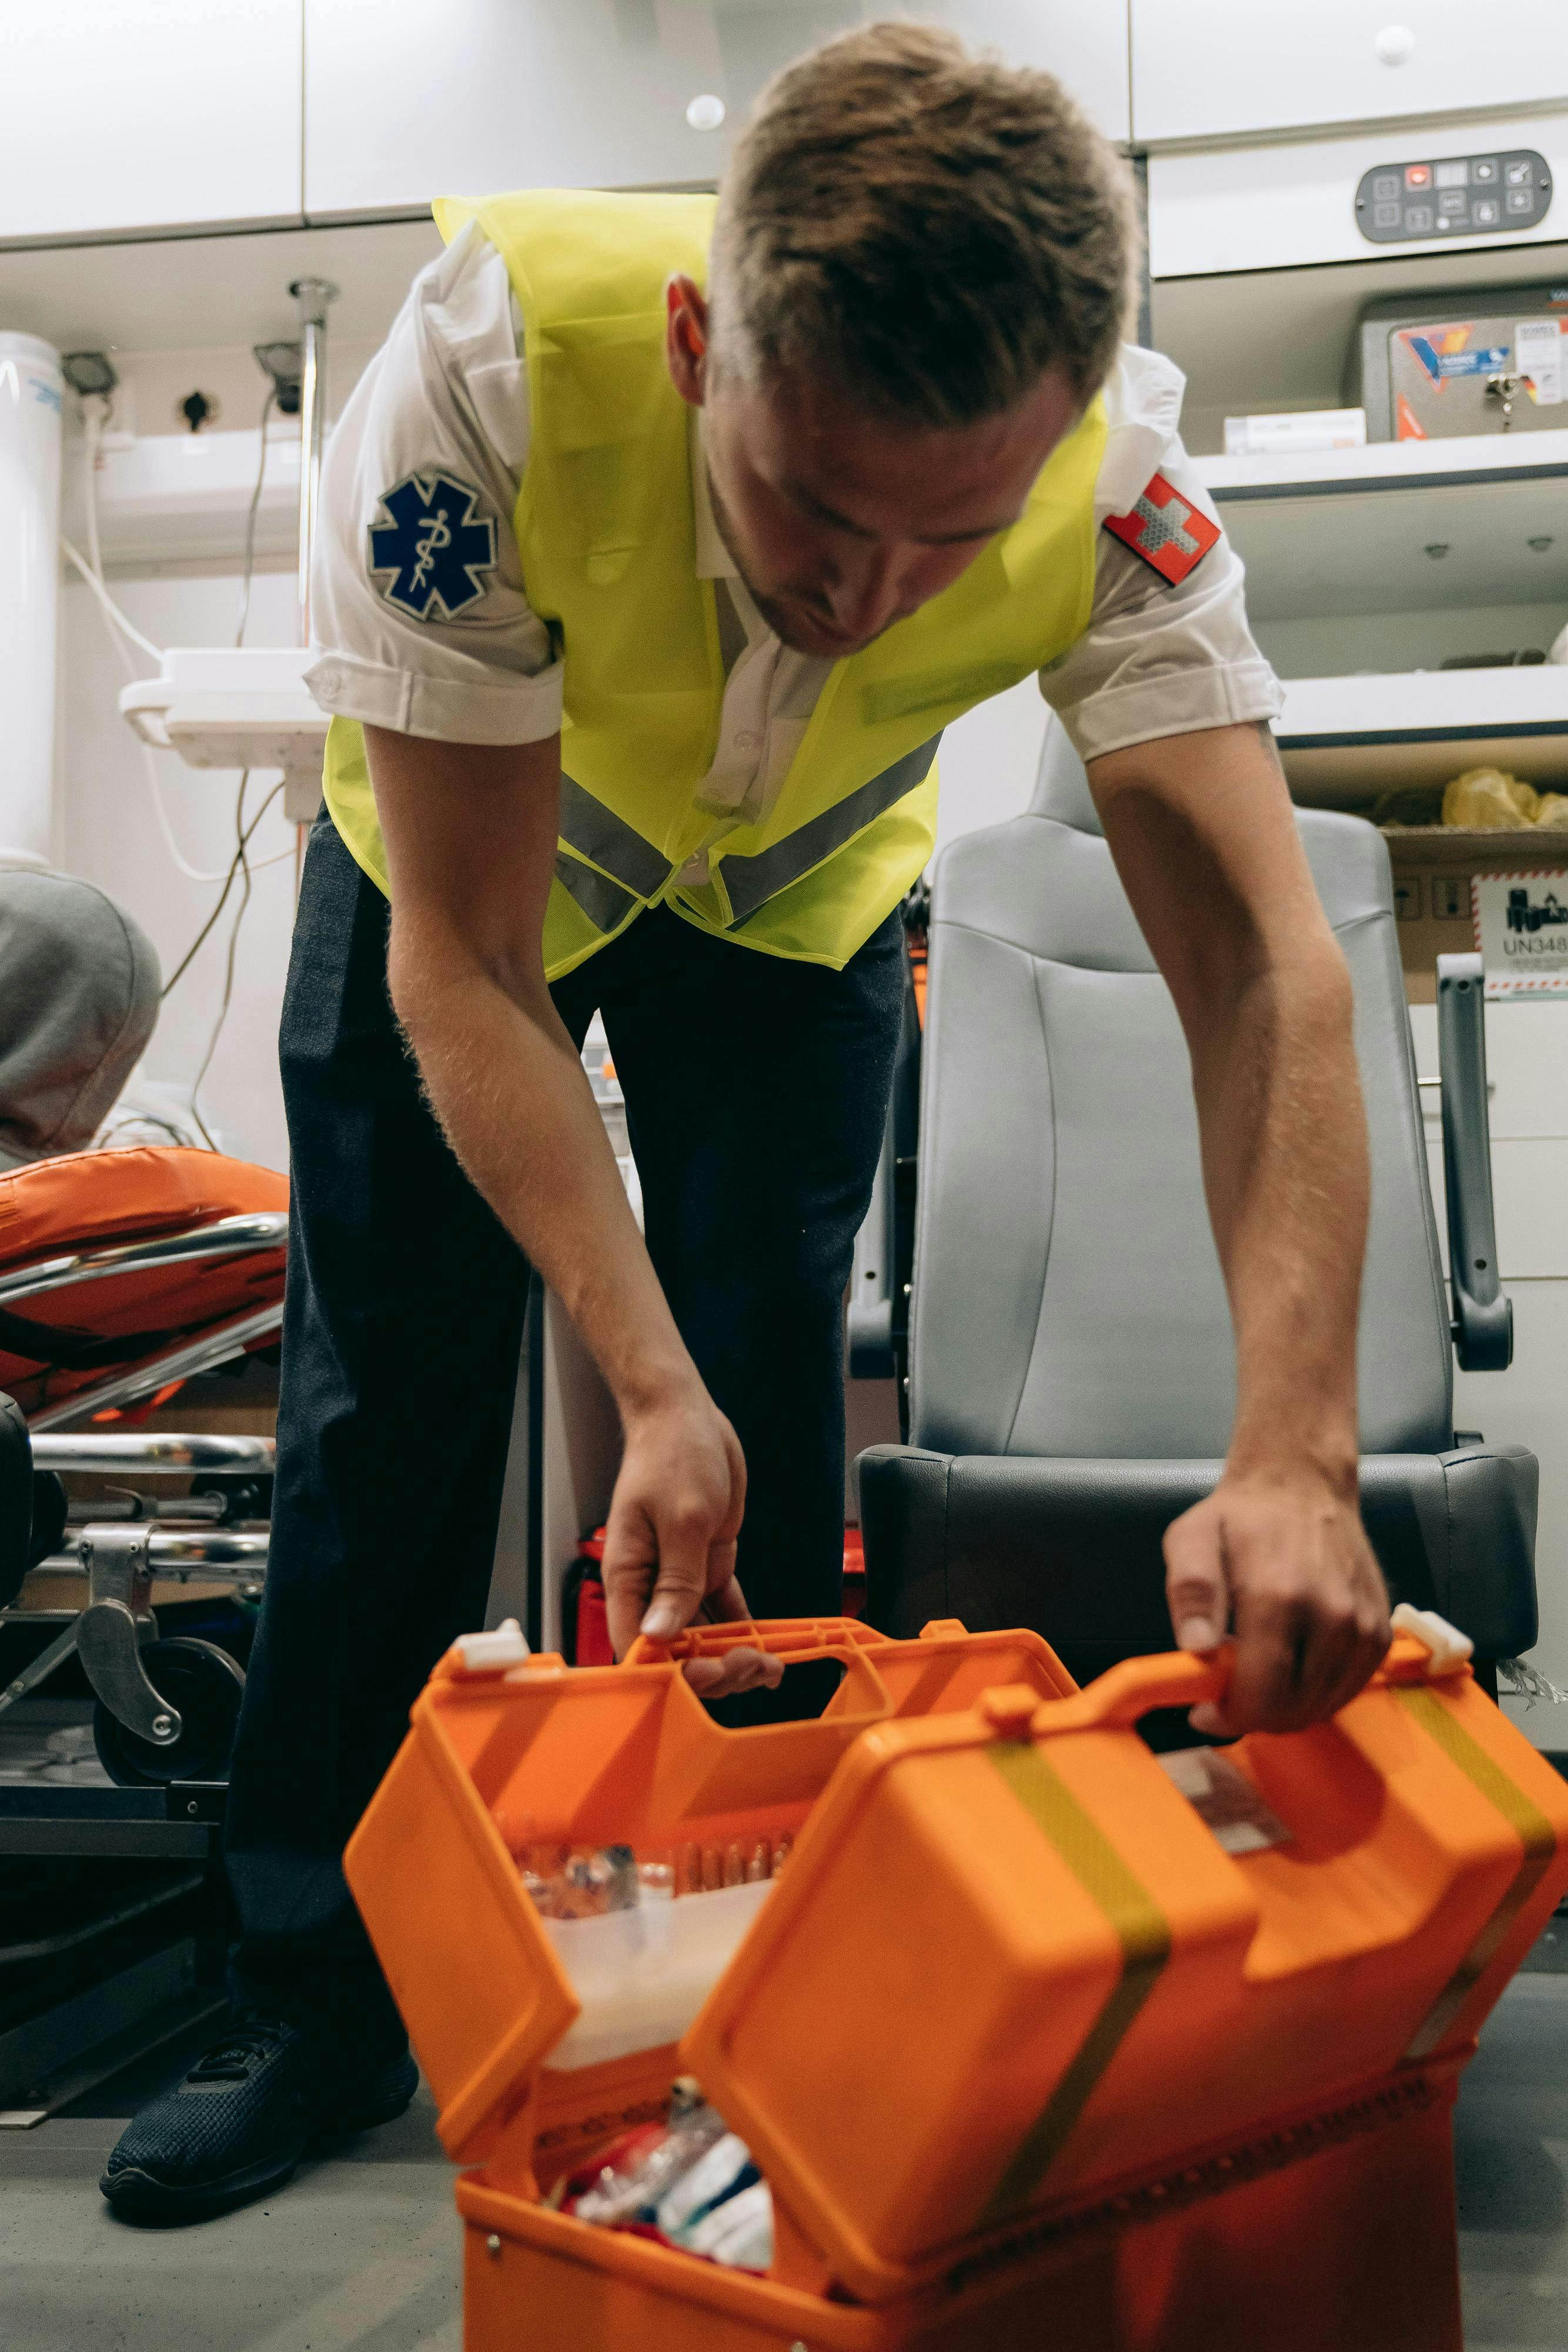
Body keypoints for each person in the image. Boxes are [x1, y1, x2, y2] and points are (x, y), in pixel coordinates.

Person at [101, 22, 1389, 2221]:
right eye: (811, 507)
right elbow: (471, 973)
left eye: (947, 537)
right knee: (386, 1391)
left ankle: (783, 1968)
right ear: (706, 342)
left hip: (794, 888)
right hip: (472, 872)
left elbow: (1266, 971)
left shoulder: (1130, 497)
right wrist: (633, 1377)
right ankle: (309, 1989)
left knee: (768, 1398)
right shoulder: (480, 387)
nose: (867, 595)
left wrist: (1294, 1450)